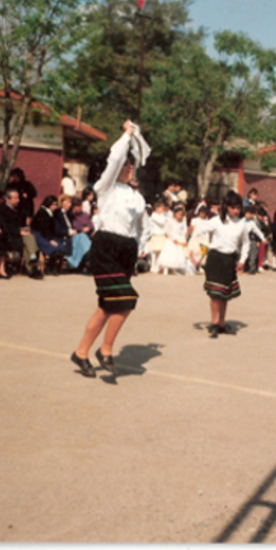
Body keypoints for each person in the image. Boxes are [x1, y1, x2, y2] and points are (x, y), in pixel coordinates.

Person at [71, 121, 149, 377]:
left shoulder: (137, 196)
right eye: (126, 164)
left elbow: (142, 226)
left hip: (126, 249)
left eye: (131, 164)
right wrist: (127, 135)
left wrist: (141, 248)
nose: (128, 167)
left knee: (108, 305)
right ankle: (105, 349)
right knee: (126, 300)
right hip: (106, 246)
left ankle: (81, 352)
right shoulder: (105, 187)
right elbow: (115, 157)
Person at [196, 190, 250, 338]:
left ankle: (222, 323)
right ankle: (213, 323)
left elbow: (246, 243)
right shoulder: (216, 221)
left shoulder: (242, 224)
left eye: (239, 207)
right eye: (233, 208)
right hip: (215, 258)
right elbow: (199, 230)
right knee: (215, 294)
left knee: (225, 294)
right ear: (226, 207)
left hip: (230, 259)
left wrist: (242, 260)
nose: (236, 211)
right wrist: (203, 245)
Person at [0, 188, 43, 279]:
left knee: (28, 238)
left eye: (18, 198)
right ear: (7, 199)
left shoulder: (18, 209)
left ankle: (32, 265)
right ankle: (32, 267)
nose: (18, 200)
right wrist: (18, 231)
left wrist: (25, 228)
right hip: (8, 237)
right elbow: (4, 226)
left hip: (19, 236)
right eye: (15, 198)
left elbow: (22, 223)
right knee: (27, 241)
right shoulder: (1, 210)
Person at [30, 195, 69, 276]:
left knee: (60, 246)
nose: (55, 207)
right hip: (39, 235)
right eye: (54, 205)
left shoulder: (51, 213)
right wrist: (50, 239)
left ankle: (52, 267)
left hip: (46, 235)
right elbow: (44, 228)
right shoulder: (42, 212)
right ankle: (50, 268)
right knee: (53, 247)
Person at [54, 193, 91, 272]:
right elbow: (58, 229)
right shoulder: (57, 213)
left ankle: (86, 256)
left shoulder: (68, 214)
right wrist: (71, 231)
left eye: (70, 203)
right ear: (61, 202)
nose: (69, 204)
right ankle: (83, 258)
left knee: (82, 237)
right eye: (67, 202)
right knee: (82, 237)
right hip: (64, 236)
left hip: (73, 235)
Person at [157, 203, 188, 274]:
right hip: (172, 240)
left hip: (179, 239)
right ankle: (166, 269)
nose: (180, 216)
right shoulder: (170, 221)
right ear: (175, 213)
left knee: (178, 254)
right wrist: (172, 238)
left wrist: (184, 237)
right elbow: (167, 230)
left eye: (181, 214)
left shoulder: (182, 222)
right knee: (169, 254)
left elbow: (184, 230)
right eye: (179, 214)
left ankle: (174, 268)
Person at [149, 199, 168, 274]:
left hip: (162, 235)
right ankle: (153, 266)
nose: (163, 210)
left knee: (160, 252)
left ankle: (158, 266)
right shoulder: (154, 215)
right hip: (156, 235)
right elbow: (162, 222)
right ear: (156, 208)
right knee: (154, 252)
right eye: (161, 208)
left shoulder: (163, 215)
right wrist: (166, 219)